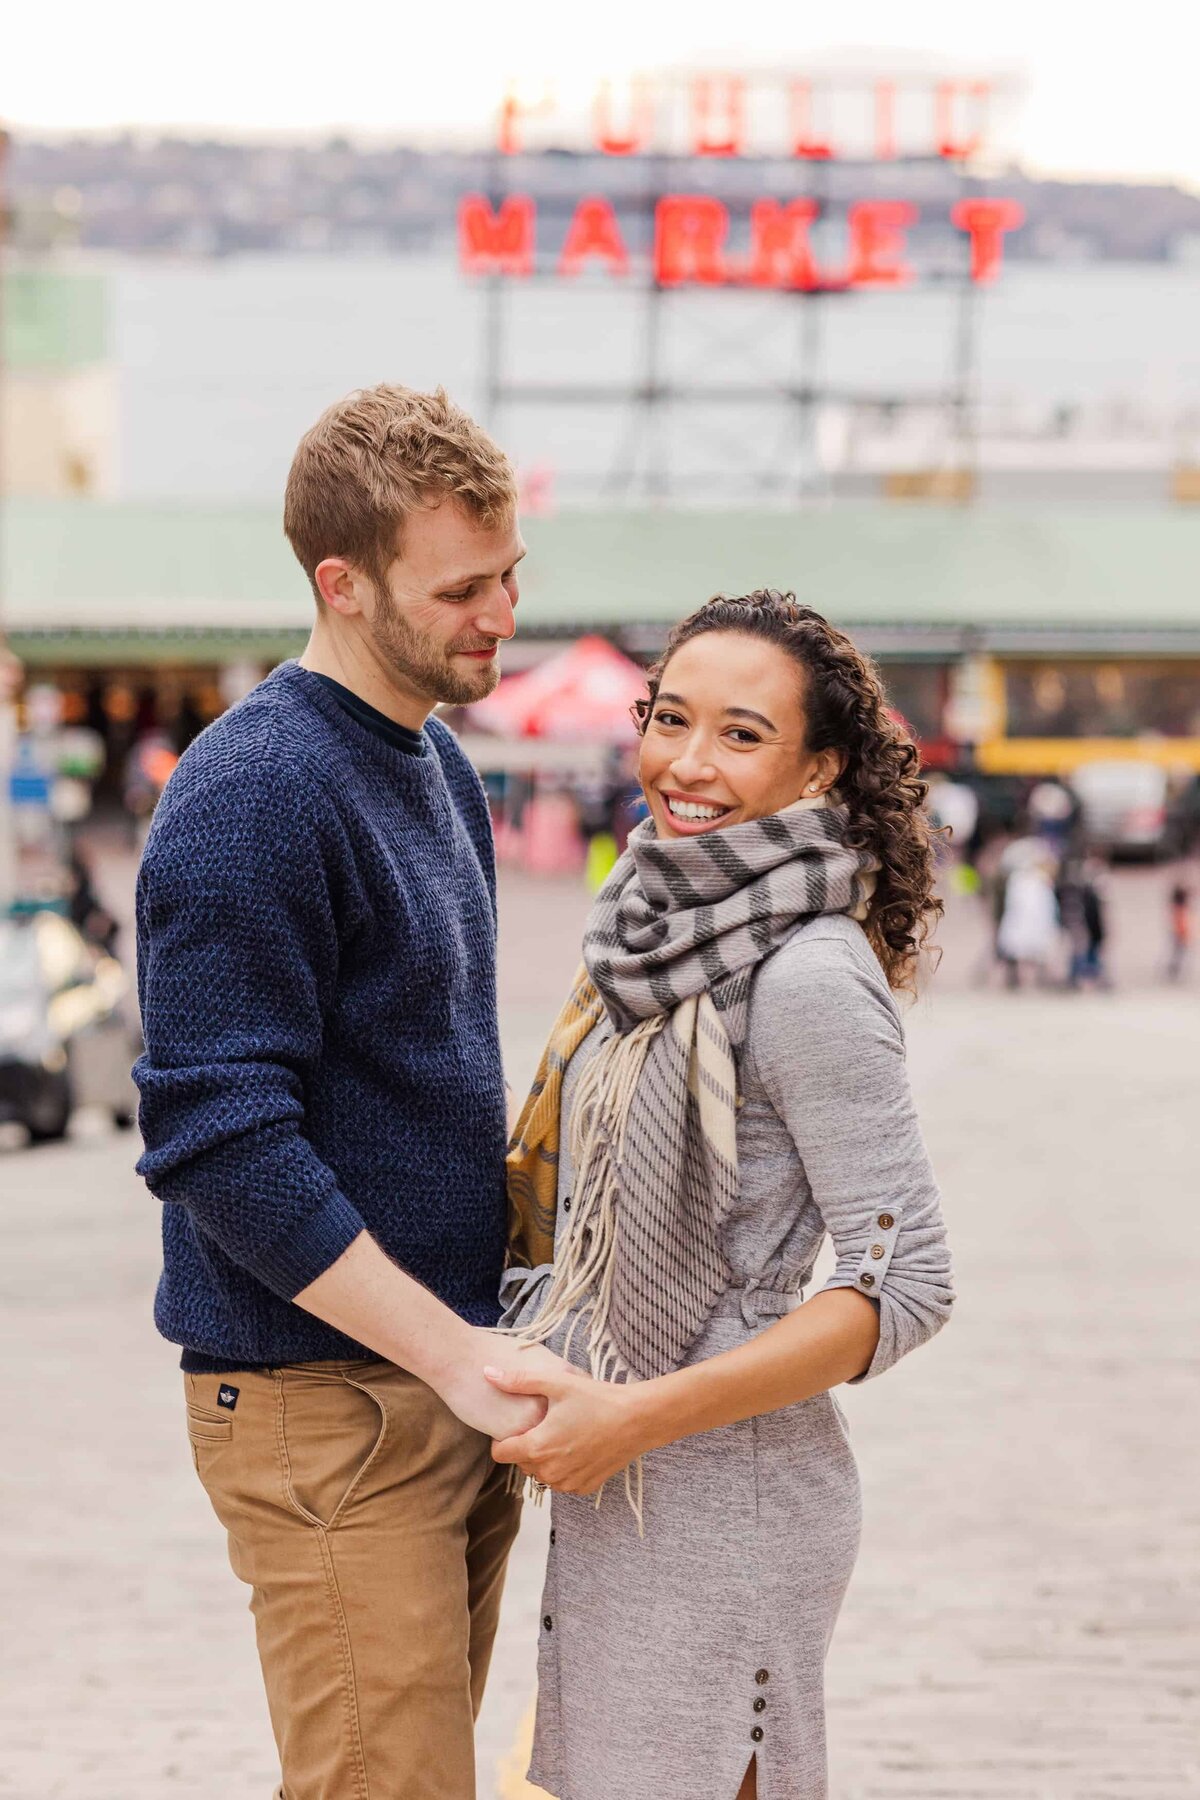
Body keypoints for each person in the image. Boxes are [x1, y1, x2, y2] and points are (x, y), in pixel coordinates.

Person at [133, 384, 562, 1800]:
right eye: (460, 589)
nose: (500, 613)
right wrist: (454, 1357)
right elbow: (218, 1140)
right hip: (332, 1411)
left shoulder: (436, 756)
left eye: (508, 575)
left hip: (444, 1384)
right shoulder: (252, 793)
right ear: (343, 582)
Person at [491, 591, 955, 1800]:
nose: (687, 765)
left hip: (726, 1490)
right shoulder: (641, 931)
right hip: (619, 1473)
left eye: (742, 735)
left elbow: (904, 1282)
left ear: (819, 770)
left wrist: (635, 1418)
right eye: (670, 718)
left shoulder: (807, 973)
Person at [1167, 883, 1192, 982]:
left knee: (1178, 953)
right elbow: (1180, 923)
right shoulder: (1179, 909)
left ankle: (1174, 969)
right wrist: (1183, 934)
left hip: (1179, 934)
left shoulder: (1179, 908)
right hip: (1179, 935)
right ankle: (1173, 969)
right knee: (1178, 953)